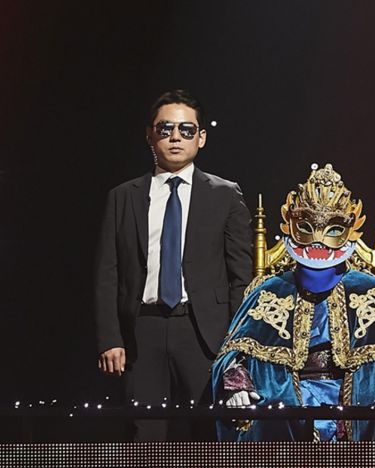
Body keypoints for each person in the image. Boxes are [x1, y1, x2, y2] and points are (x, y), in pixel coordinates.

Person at [212, 163, 375, 441]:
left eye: (331, 229)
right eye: (307, 227)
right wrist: (238, 383)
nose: (318, 241)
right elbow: (232, 355)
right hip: (285, 408)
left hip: (359, 406)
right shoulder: (267, 292)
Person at [94, 89, 253, 441]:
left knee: (209, 432)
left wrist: (238, 344)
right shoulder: (123, 197)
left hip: (204, 333)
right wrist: (110, 338)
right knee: (144, 433)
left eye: (186, 129)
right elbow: (108, 273)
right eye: (165, 129)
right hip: (141, 330)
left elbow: (241, 277)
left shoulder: (225, 194)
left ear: (201, 137)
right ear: (150, 135)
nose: (176, 137)